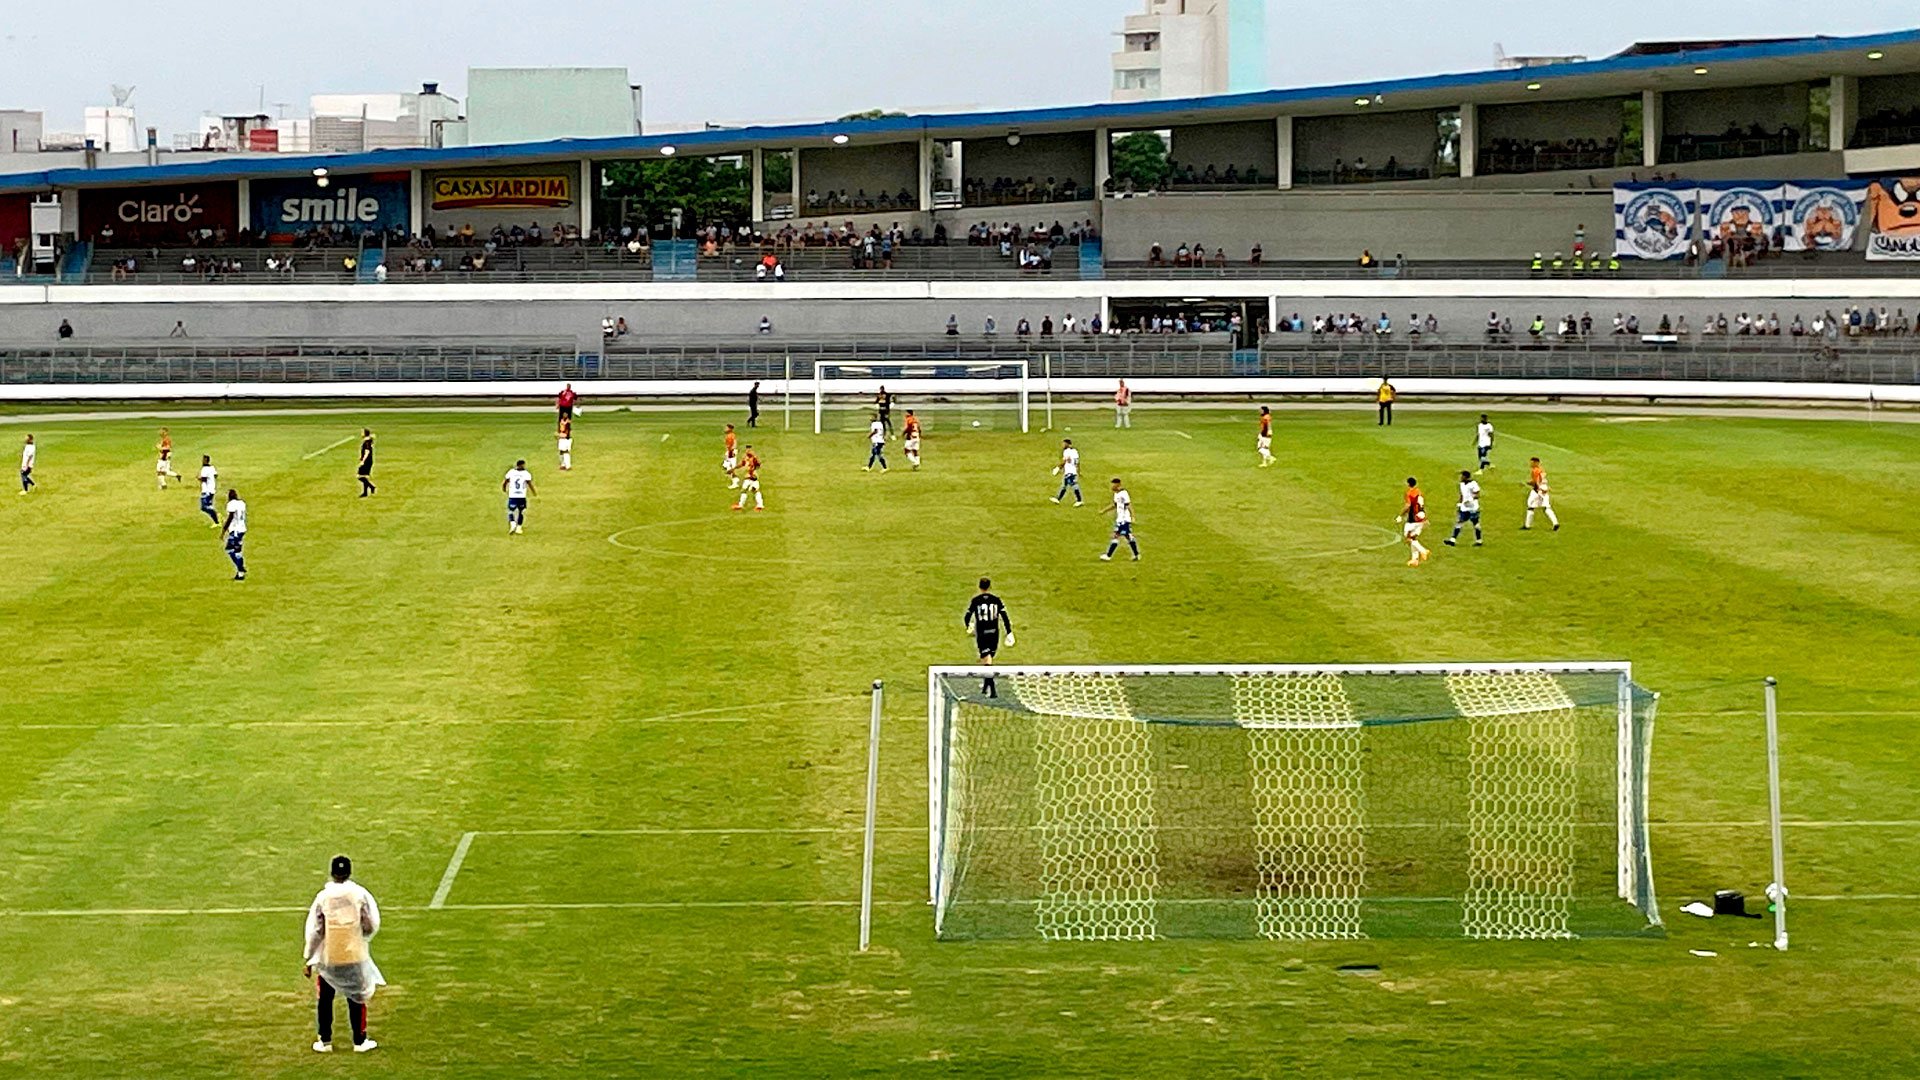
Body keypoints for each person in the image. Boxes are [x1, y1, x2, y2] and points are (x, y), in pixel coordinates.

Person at [303, 854, 383, 1054]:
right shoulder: (359, 894)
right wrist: (360, 934)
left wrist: (310, 957)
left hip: (330, 956)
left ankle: (325, 1040)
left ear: (332, 873)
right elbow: (371, 922)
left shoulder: (323, 897)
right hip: (354, 954)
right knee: (356, 997)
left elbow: (315, 930)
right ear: (349, 872)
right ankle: (359, 1040)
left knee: (325, 999)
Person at [963, 577, 1014, 698]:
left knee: (987, 661)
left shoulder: (976, 600)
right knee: (988, 659)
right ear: (990, 587)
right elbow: (1005, 617)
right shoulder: (996, 600)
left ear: (979, 587)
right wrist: (1009, 632)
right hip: (994, 633)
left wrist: (969, 626)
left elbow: (967, 616)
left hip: (982, 634)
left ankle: (992, 690)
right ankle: (987, 687)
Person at [1101, 478, 1140, 562]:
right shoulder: (1116, 494)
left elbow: (1128, 505)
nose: (1111, 486)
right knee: (1128, 536)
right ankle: (1136, 554)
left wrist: (1132, 516)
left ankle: (1108, 555)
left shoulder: (1124, 493)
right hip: (1120, 519)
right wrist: (1104, 510)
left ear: (1118, 484)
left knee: (1116, 536)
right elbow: (1115, 505)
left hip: (1124, 519)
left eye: (1113, 484)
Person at [1445, 470, 1483, 548]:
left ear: (1466, 477)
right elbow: (1462, 495)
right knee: (1460, 522)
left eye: (1462, 476)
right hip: (1464, 507)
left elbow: (1477, 495)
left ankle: (1479, 540)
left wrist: (1471, 500)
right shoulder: (1461, 484)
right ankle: (1452, 540)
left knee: (1475, 523)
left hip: (1473, 507)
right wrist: (1460, 504)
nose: (1461, 477)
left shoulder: (1473, 484)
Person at [1397, 476, 1430, 567]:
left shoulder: (1410, 493)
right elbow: (1420, 505)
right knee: (1414, 538)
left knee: (1408, 538)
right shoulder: (1419, 492)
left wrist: (1400, 515)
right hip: (1421, 517)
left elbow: (1408, 505)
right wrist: (1425, 518)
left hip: (1413, 519)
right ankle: (1414, 559)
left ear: (1408, 484)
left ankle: (1423, 551)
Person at [1524, 457, 1560, 532]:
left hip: (1537, 490)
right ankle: (1555, 523)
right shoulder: (1542, 470)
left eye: (1532, 462)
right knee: (1546, 507)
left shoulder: (1535, 471)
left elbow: (1535, 482)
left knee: (1530, 506)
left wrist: (1528, 483)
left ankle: (1527, 525)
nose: (1531, 464)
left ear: (1536, 463)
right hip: (1544, 489)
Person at [222, 488, 249, 580]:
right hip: (242, 528)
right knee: (238, 550)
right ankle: (240, 572)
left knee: (230, 549)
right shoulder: (242, 503)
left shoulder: (231, 504)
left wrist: (224, 530)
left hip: (235, 530)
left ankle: (240, 567)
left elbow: (231, 517)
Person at [503, 459, 535, 535]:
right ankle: (518, 528)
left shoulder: (511, 472)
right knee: (521, 511)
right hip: (521, 495)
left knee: (511, 510)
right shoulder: (526, 473)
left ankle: (513, 523)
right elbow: (529, 483)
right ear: (521, 465)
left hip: (513, 495)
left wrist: (504, 488)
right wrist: (534, 492)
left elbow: (505, 482)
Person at [732, 445, 763, 511]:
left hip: (751, 477)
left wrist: (753, 469)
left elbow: (759, 464)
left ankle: (759, 505)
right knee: (751, 491)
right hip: (748, 477)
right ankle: (759, 505)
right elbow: (741, 464)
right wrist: (734, 468)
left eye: (749, 450)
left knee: (752, 491)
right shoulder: (746, 458)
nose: (748, 451)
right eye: (747, 450)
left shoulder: (754, 458)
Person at [1051, 438, 1082, 505]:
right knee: (1064, 485)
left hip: (1070, 472)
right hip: (1071, 471)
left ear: (1067, 444)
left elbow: (1065, 461)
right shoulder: (1075, 451)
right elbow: (1077, 462)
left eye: (1064, 443)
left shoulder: (1067, 451)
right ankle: (1058, 499)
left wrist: (1057, 468)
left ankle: (1079, 500)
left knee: (1073, 485)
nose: (1062, 445)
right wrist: (1078, 471)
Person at [197, 455, 219, 525]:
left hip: (206, 491)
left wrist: (199, 478)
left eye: (203, 460)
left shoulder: (205, 469)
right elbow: (215, 475)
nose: (202, 461)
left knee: (204, 507)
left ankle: (215, 514)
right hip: (212, 489)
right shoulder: (212, 468)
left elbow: (204, 479)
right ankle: (216, 522)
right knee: (208, 506)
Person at [357, 429, 376, 497]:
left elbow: (367, 452)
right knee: (365, 477)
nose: (361, 434)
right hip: (369, 461)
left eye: (362, 432)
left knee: (359, 476)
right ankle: (365, 493)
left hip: (367, 461)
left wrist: (363, 461)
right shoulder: (368, 441)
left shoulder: (367, 442)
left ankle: (372, 487)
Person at [722, 423, 740, 489]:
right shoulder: (729, 435)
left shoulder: (731, 436)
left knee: (730, 468)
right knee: (726, 466)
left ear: (730, 429)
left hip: (731, 452)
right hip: (729, 452)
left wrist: (732, 451)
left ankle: (735, 482)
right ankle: (735, 479)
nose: (725, 429)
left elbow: (735, 443)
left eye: (726, 428)